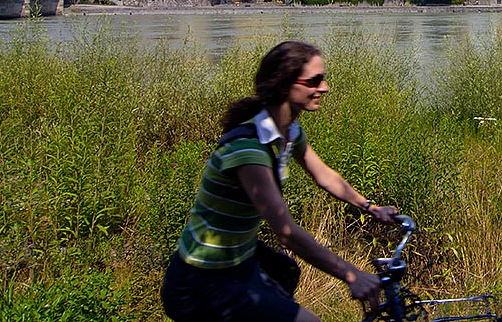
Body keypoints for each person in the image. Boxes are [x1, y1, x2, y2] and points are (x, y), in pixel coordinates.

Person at [161, 40, 398, 321]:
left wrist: (371, 207)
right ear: (285, 84)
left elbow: (324, 175)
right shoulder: (249, 149)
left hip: (239, 262)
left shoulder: (289, 132)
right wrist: (351, 273)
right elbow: (285, 231)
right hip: (200, 282)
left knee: (286, 278)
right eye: (314, 81)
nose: (324, 88)